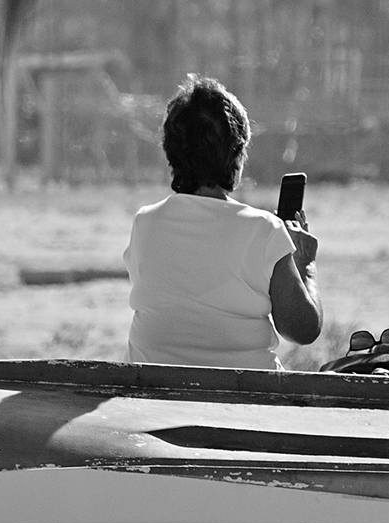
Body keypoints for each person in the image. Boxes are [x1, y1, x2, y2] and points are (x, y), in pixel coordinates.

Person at [123, 77, 322, 368]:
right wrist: (305, 264)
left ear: (170, 152)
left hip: (151, 390)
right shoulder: (264, 231)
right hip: (248, 394)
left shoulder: (145, 224)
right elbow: (303, 330)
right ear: (237, 155)